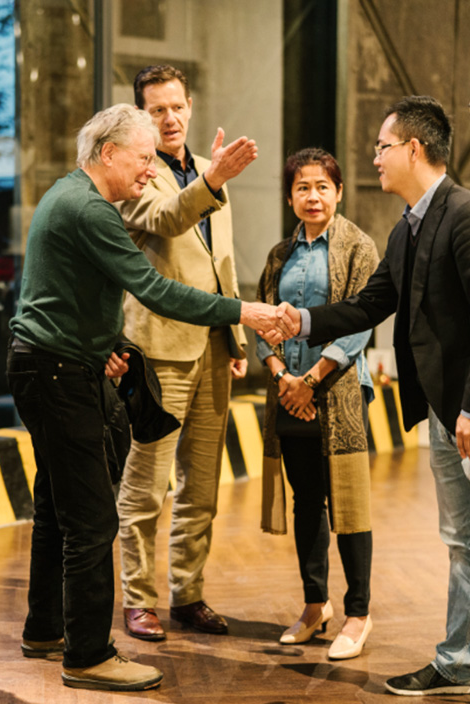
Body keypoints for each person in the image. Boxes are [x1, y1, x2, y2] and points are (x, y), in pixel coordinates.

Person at [7, 103, 294, 693]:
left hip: (47, 366)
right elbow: (154, 289)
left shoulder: (69, 195)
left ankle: (46, 629)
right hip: (58, 375)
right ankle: (88, 656)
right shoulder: (90, 208)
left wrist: (105, 343)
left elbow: (68, 293)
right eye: (142, 158)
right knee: (93, 521)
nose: (149, 169)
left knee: (58, 510)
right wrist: (244, 311)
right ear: (108, 152)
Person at [266, 96, 470, 696]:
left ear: (413, 148)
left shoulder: (463, 214)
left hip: (463, 409)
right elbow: (368, 305)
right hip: (443, 411)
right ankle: (460, 660)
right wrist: (300, 322)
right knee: (461, 539)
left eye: (382, 147)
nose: (374, 158)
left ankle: (457, 658)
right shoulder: (407, 227)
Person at [115, 64, 257, 641]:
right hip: (159, 350)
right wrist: (214, 180)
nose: (170, 118)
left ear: (191, 107)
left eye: (177, 106)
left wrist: (237, 337)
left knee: (201, 487)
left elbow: (224, 262)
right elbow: (169, 218)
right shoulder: (136, 176)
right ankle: (138, 598)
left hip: (213, 347)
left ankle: (188, 593)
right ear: (140, 116)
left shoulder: (206, 168)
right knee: (146, 486)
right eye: (157, 110)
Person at [256, 148, 379, 660]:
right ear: (290, 197)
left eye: (322, 186)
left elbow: (361, 321)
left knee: (348, 504)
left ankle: (358, 613)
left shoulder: (359, 247)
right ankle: (314, 605)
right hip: (290, 394)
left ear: (339, 192)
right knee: (306, 501)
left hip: (339, 392)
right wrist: (283, 377)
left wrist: (311, 379)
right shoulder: (278, 255)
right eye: (302, 187)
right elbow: (262, 322)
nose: (313, 196)